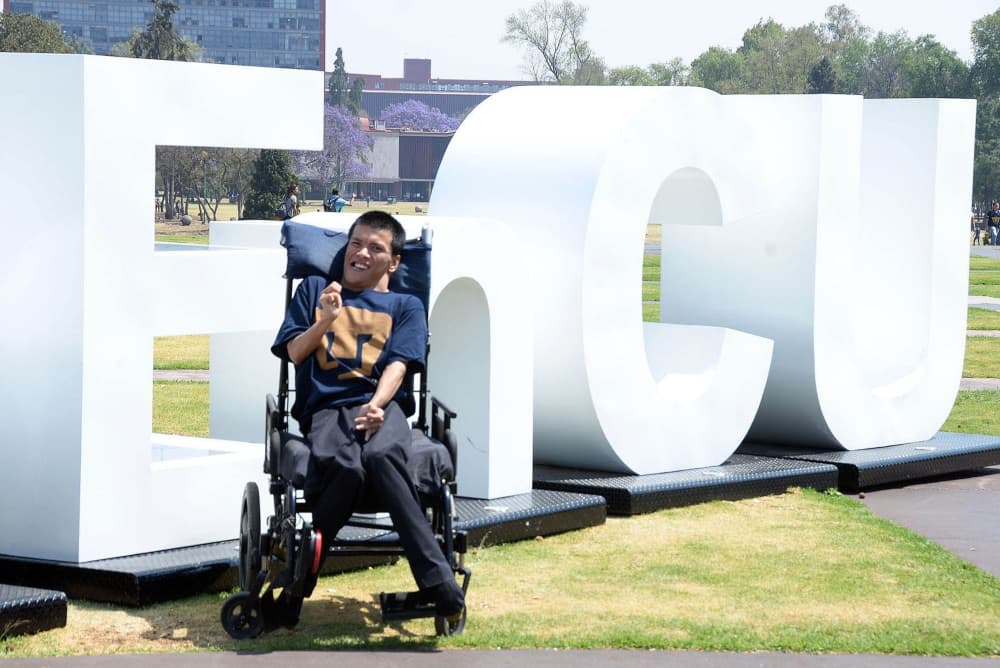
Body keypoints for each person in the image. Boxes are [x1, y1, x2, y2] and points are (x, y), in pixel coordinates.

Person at [271, 211, 465, 622]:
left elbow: (400, 363)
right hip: (326, 409)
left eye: (374, 248)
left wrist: (377, 404)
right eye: (355, 243)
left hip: (383, 405)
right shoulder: (315, 290)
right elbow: (295, 353)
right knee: (347, 469)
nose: (360, 253)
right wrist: (326, 318)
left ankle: (438, 584)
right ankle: (301, 583)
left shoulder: (406, 305)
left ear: (394, 262)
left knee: (380, 455)